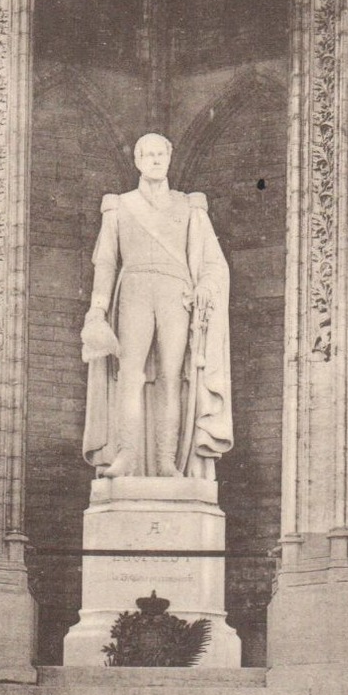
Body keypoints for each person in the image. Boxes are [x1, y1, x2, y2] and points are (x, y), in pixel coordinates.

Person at [81, 133, 232, 479]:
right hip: (134, 288)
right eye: (147, 155)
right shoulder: (119, 205)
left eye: (160, 154)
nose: (154, 160)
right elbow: (105, 262)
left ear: (170, 157)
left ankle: (166, 459)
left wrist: (207, 285)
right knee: (130, 376)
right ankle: (128, 456)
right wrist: (98, 309)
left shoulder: (189, 206)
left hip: (175, 292)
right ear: (137, 161)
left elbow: (211, 259)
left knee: (170, 377)